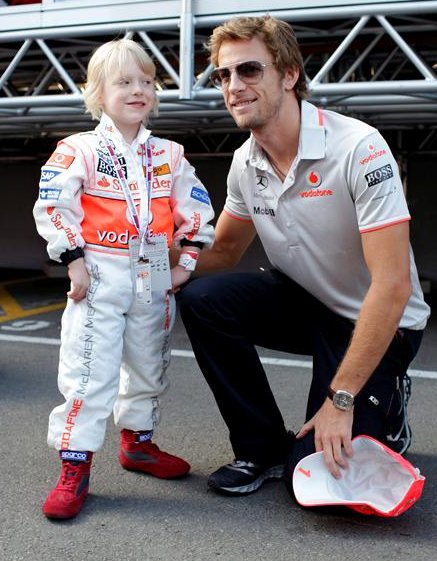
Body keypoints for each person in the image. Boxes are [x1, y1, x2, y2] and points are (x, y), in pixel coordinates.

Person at [177, 15, 430, 499]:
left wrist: (342, 398)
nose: (233, 86)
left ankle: (387, 404)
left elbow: (393, 285)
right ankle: (261, 448)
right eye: (223, 75)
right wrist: (138, 254)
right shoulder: (244, 161)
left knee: (324, 483)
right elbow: (223, 251)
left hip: (379, 319)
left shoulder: (359, 148)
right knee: (202, 299)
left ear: (290, 74)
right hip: (307, 303)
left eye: (249, 70)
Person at [33, 38, 214, 519]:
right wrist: (73, 260)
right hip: (99, 272)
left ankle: (138, 445)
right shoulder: (79, 148)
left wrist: (186, 262)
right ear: (97, 93)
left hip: (153, 273)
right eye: (124, 82)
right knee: (89, 370)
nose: (138, 90)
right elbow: (53, 204)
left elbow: (196, 208)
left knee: (150, 365)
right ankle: (75, 465)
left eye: (146, 81)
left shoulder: (170, 154)